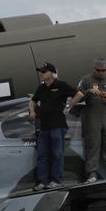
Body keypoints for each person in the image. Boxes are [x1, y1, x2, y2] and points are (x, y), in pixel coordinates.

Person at [29, 62, 84, 191]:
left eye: (44, 72)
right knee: (42, 155)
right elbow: (33, 100)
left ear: (51, 74)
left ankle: (56, 180)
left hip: (57, 126)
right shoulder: (41, 88)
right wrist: (32, 111)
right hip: (44, 126)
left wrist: (68, 106)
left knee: (57, 154)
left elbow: (79, 94)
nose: (41, 74)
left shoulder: (61, 85)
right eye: (41, 72)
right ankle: (42, 181)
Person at [76, 58, 106, 183]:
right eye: (98, 70)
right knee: (92, 147)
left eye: (103, 70)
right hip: (92, 119)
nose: (101, 73)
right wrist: (88, 92)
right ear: (94, 69)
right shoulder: (86, 80)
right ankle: (91, 174)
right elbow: (77, 97)